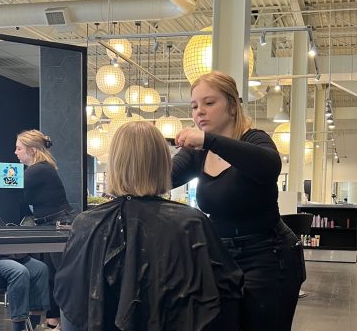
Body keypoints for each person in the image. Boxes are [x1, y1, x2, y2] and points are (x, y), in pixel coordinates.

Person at [54, 121, 243, 331]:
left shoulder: (86, 223)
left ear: (114, 165)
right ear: (163, 163)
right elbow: (222, 301)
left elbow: (72, 306)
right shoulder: (191, 223)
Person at [172, 71, 306, 331]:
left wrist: (209, 140)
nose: (200, 112)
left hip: (269, 257)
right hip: (220, 257)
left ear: (232, 106)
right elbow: (162, 176)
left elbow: (269, 165)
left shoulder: (254, 139)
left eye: (209, 103)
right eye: (195, 106)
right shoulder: (198, 154)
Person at [15, 129, 78, 329]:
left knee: (63, 277)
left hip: (59, 224)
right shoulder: (41, 168)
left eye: (19, 148)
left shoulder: (38, 170)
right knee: (54, 276)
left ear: (32, 150)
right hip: (55, 224)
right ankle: (53, 322)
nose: (15, 152)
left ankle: (70, 322)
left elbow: (11, 187)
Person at [0, 255, 50, 331]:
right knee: (20, 272)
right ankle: (19, 327)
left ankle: (34, 325)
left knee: (41, 269)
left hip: (21, 256)